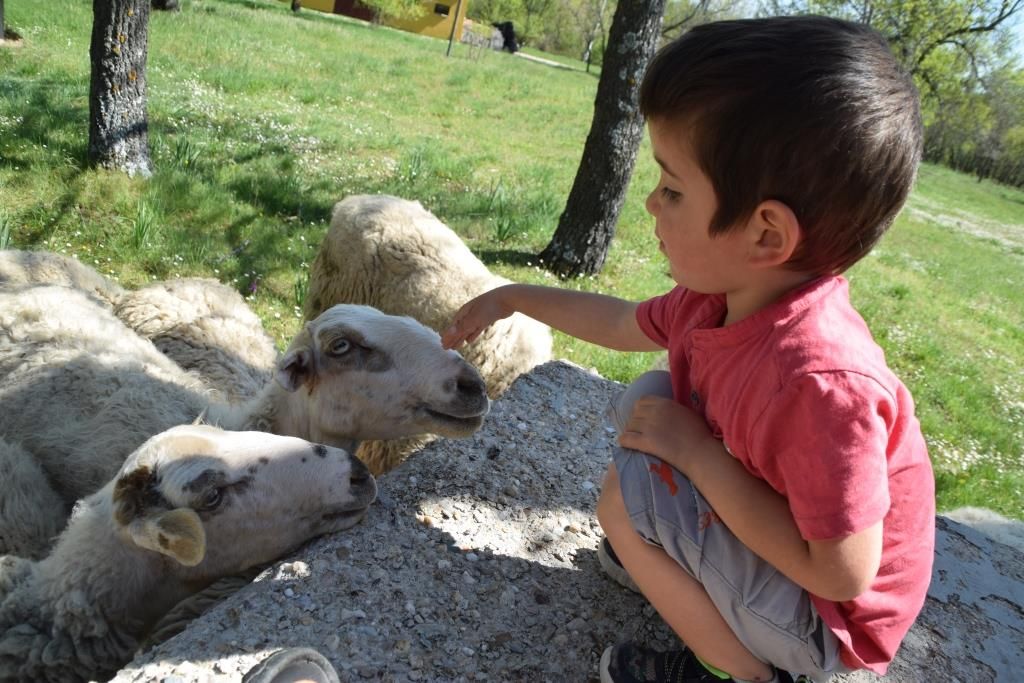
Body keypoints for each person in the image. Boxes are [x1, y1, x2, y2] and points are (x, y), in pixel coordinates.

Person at [441, 15, 935, 683]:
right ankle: (676, 566)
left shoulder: (819, 381)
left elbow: (843, 571)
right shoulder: (722, 299)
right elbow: (620, 322)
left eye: (672, 187)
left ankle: (738, 671)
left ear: (766, 234)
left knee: (626, 493)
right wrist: (513, 296)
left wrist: (697, 456)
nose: (650, 203)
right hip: (790, 563)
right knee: (648, 399)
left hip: (828, 628)